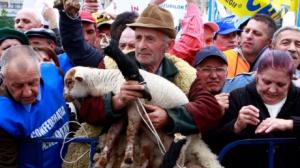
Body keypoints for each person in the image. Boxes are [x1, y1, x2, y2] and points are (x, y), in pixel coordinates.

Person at [207, 50, 300, 168]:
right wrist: (236, 125)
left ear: (292, 79)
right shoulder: (238, 97)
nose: (272, 90)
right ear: (256, 75)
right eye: (266, 82)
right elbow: (212, 143)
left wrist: (290, 124)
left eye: (281, 84)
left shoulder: (298, 98)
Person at [0, 45, 69, 167]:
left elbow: (69, 111)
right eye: (18, 86)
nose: (27, 93)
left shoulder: (55, 74)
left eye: (33, 83)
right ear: (3, 79)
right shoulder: (4, 118)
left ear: (40, 71)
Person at [222, 26, 300, 93]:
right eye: (285, 43)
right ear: (272, 47)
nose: (292, 49)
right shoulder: (243, 83)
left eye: (298, 44)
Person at [193, 45, 229, 113]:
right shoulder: (186, 97)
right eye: (207, 70)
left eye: (219, 70)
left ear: (227, 73)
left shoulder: (235, 98)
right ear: (196, 73)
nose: (214, 76)